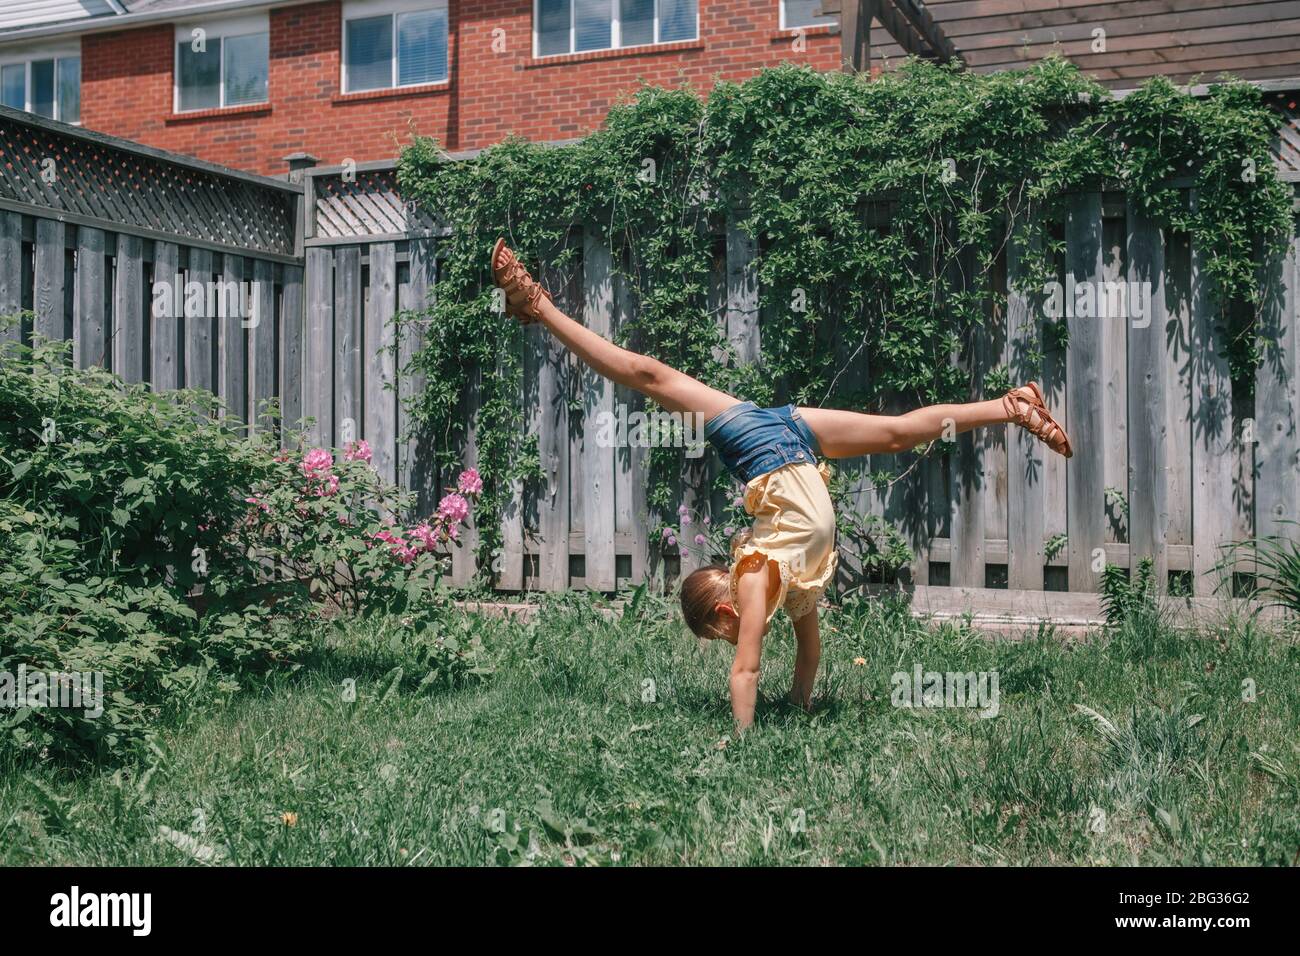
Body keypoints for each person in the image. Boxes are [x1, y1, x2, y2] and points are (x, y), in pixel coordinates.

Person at [491, 239, 1071, 730]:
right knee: (897, 434)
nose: (733, 640)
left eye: (723, 635)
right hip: (792, 436)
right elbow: (806, 651)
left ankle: (537, 304)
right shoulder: (791, 585)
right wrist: (799, 704)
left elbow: (746, 670)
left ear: (724, 613)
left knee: (648, 375)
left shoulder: (756, 575)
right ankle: (1011, 405)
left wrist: (740, 741)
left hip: (758, 445)